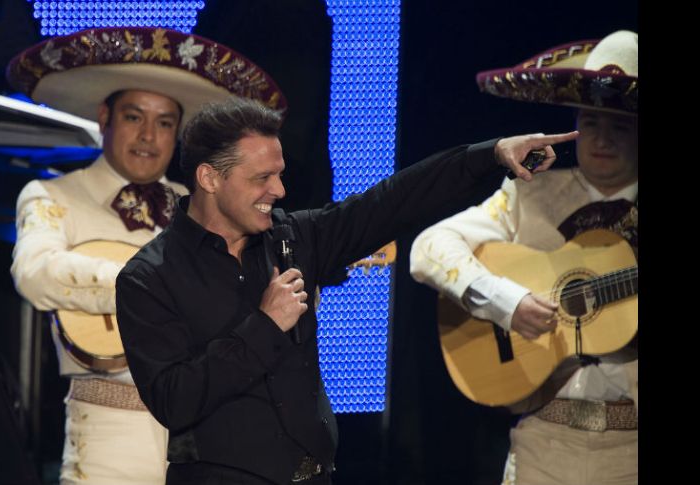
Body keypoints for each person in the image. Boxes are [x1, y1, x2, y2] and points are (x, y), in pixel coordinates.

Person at [114, 95, 577, 484]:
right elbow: (174, 400)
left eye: (279, 173)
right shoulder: (148, 277)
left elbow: (393, 201)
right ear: (209, 178)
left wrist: (491, 153)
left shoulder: (294, 238)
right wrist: (265, 325)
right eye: (261, 178)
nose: (278, 189)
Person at [7, 26, 286, 485]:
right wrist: (147, 286)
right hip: (105, 439)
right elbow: (35, 273)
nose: (148, 136)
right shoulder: (52, 195)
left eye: (164, 123)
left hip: (209, 436)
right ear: (105, 117)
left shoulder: (203, 201)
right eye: (134, 117)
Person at [410, 30, 638, 485]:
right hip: (541, 443)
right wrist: (506, 301)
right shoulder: (528, 195)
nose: (603, 139)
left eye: (621, 126)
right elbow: (427, 249)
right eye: (591, 122)